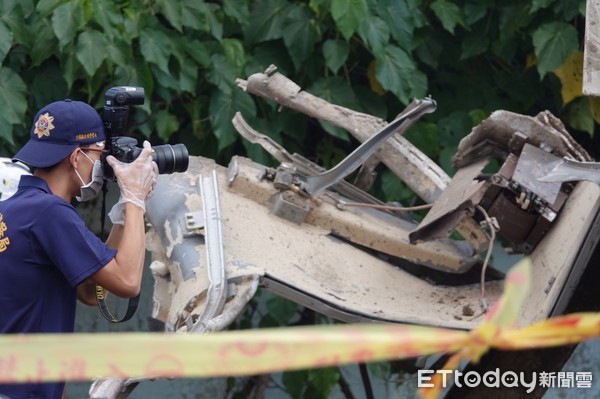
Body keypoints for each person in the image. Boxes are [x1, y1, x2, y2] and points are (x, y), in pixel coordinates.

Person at [0, 99, 158, 399]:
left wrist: (124, 213)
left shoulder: (15, 209)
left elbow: (89, 291)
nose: (104, 164)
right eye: (100, 154)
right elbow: (127, 282)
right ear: (77, 157)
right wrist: (136, 199)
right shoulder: (50, 213)